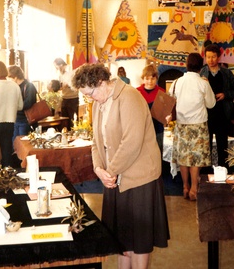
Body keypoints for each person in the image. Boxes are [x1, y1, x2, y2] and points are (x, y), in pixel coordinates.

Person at [72, 63, 169, 269]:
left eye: (90, 93)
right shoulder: (98, 103)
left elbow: (131, 141)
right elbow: (97, 142)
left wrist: (110, 171)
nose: (89, 98)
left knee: (139, 241)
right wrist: (99, 169)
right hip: (114, 178)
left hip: (139, 178)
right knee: (122, 240)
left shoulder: (130, 97)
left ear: (101, 82)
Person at [169, 53, 216, 200]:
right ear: (201, 66)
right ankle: (194, 189)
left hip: (181, 125)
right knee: (196, 158)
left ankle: (185, 186)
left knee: (184, 157)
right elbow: (211, 104)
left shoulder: (176, 82)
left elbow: (170, 100)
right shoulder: (203, 83)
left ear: (186, 65)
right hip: (198, 125)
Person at [199, 44, 234, 168]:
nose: (210, 60)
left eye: (213, 57)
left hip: (223, 112)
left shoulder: (226, 73)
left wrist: (225, 94)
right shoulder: (202, 72)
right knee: (206, 146)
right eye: (208, 57)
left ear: (218, 57)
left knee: (222, 145)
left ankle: (223, 171)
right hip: (207, 114)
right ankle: (207, 174)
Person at [137, 64, 165, 152]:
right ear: (143, 79)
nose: (150, 81)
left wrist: (168, 117)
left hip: (158, 131)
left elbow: (165, 112)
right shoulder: (137, 92)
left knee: (158, 154)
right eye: (147, 78)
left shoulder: (161, 92)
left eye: (152, 78)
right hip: (142, 131)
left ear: (156, 78)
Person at [7, 65, 37, 144]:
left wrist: (14, 107)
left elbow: (29, 103)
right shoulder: (13, 87)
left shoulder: (29, 86)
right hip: (15, 119)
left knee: (24, 144)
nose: (8, 80)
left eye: (9, 78)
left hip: (26, 119)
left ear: (15, 77)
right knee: (15, 145)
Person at [53, 58, 78, 129]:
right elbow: (59, 86)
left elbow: (75, 84)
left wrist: (67, 85)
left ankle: (71, 133)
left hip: (72, 98)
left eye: (56, 66)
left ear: (61, 65)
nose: (56, 68)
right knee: (64, 119)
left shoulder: (70, 70)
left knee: (71, 119)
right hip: (64, 97)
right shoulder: (59, 74)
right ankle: (66, 134)